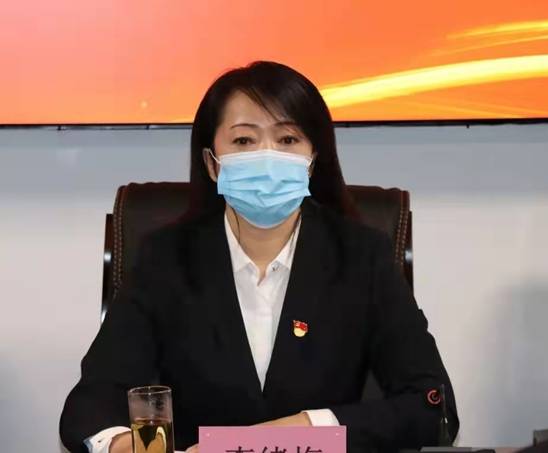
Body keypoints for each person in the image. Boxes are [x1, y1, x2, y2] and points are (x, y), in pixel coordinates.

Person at [59, 61, 459, 453]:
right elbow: (91, 404)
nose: (267, 157)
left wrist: (306, 428)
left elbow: (432, 407)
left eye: (287, 140)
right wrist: (125, 445)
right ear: (212, 164)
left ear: (312, 160)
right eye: (244, 141)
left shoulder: (360, 257)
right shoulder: (166, 258)